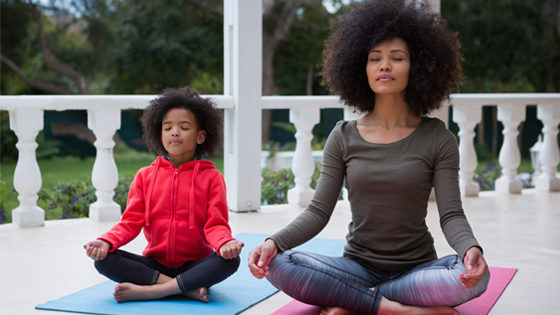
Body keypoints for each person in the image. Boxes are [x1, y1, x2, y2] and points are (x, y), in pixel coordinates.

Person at [248, 1, 489, 314]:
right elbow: (318, 211)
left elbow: (451, 215)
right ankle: (400, 310)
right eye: (375, 58)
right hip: (357, 266)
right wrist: (273, 242)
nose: (384, 66)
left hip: (415, 271)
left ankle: (353, 300)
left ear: (417, 67)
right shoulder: (343, 135)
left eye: (397, 58)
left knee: (475, 277)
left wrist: (471, 249)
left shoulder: (438, 138)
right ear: (361, 67)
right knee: (281, 262)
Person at [84, 87, 243, 303]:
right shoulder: (145, 176)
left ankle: (152, 291)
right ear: (159, 134)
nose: (174, 132)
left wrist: (225, 244)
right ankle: (185, 289)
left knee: (230, 261)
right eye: (167, 128)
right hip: (156, 265)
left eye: (184, 127)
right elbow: (130, 222)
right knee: (104, 261)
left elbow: (216, 225)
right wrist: (106, 241)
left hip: (195, 264)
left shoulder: (212, 178)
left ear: (200, 136)